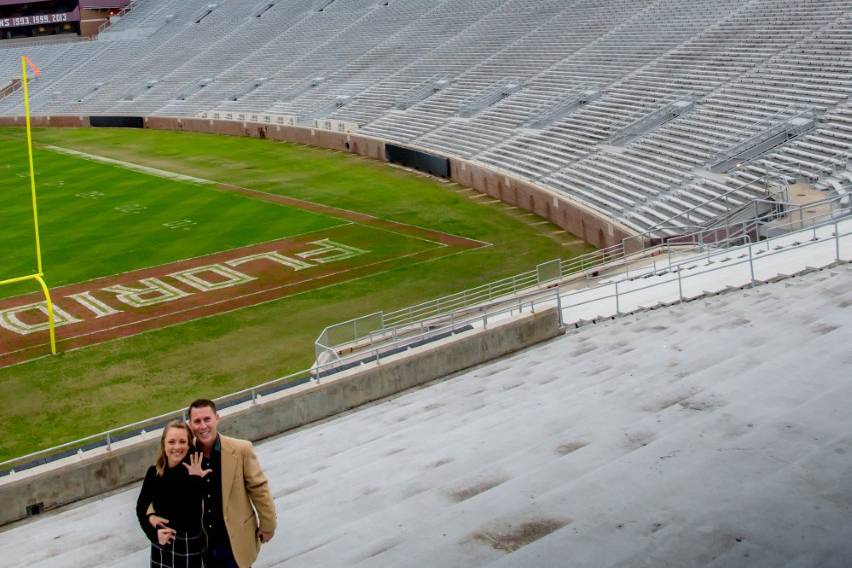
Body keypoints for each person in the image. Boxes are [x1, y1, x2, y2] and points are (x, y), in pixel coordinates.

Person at [187, 399, 277, 568]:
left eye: (207, 419)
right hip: (199, 548)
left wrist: (268, 524)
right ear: (190, 424)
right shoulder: (183, 453)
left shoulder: (241, 449)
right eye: (197, 421)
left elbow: (258, 488)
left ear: (217, 418)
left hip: (233, 543)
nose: (203, 426)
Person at [136, 420, 211, 568]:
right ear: (164, 444)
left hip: (191, 544)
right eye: (171, 442)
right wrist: (152, 530)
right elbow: (140, 507)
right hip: (163, 544)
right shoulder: (154, 473)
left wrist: (197, 479)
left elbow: (190, 511)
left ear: (189, 445)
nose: (177, 447)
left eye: (182, 441)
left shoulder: (197, 469)